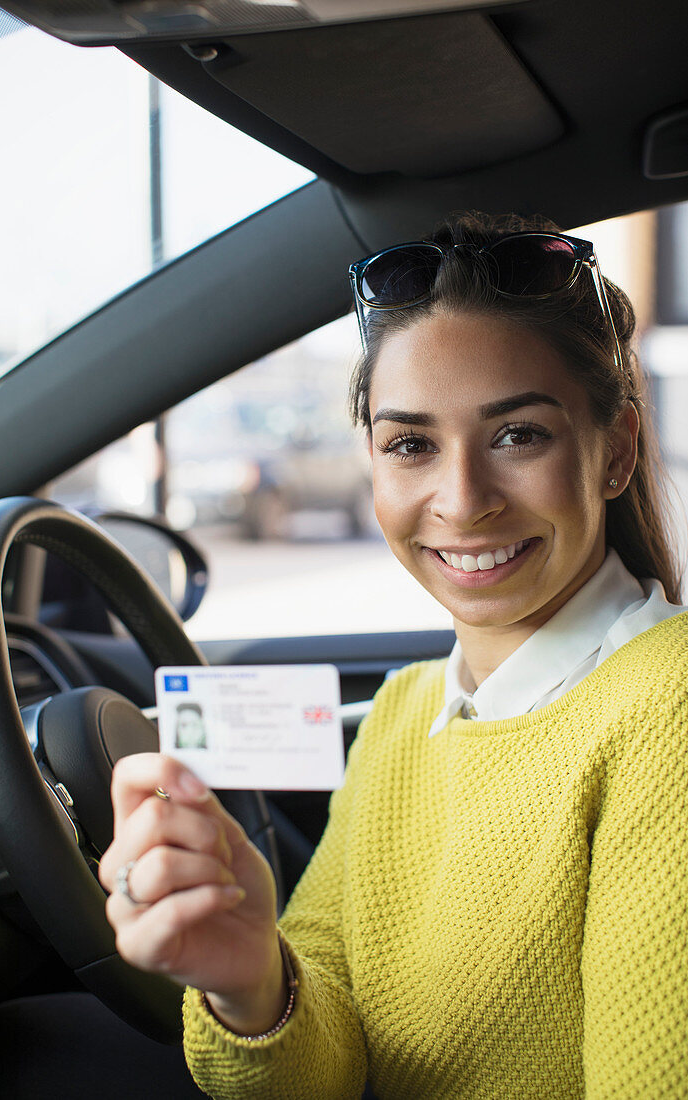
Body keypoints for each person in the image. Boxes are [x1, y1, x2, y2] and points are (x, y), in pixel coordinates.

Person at [98, 212, 688, 1099]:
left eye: (517, 435)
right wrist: (252, 981)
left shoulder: (667, 705)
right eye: (411, 445)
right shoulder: (408, 710)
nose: (461, 501)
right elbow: (324, 1069)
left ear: (613, 452)